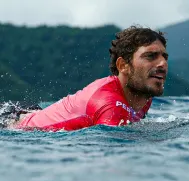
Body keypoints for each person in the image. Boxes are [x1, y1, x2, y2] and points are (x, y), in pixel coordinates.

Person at [7, 25, 168, 131]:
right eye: (150, 56)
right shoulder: (111, 107)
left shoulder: (143, 95)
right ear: (123, 66)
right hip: (12, 125)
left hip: (30, 112)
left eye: (164, 57)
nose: (162, 63)